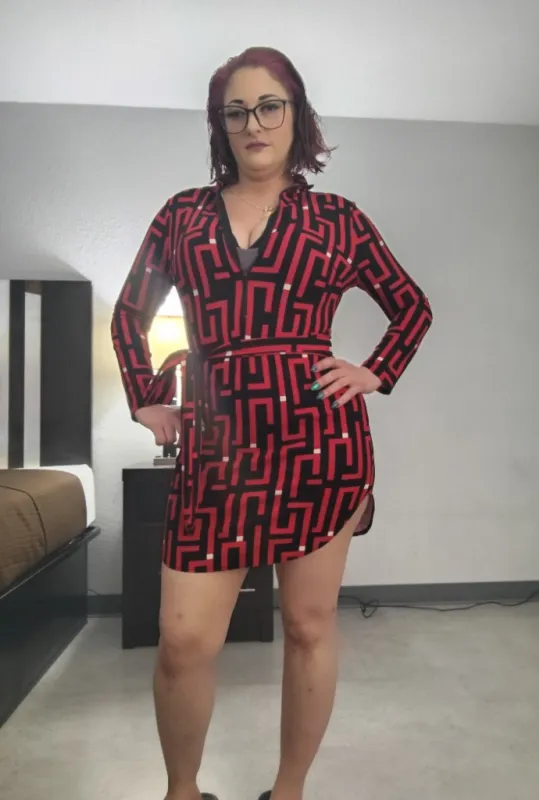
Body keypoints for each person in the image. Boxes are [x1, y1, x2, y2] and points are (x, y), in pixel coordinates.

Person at [111, 46, 433, 800]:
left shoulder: (337, 219)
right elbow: (129, 313)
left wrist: (373, 371)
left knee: (309, 627)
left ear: (296, 115)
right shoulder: (182, 215)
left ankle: (288, 790)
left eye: (268, 106)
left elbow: (411, 306)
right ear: (219, 125)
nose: (252, 124)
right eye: (236, 111)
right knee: (183, 641)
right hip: (216, 451)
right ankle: (182, 791)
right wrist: (145, 395)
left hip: (319, 448)